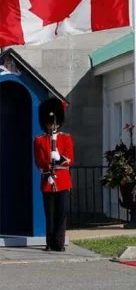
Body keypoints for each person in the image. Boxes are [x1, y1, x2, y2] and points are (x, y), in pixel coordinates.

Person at [33, 98, 74, 252]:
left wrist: (60, 158)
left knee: (61, 213)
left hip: (63, 181)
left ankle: (59, 242)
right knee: (49, 214)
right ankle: (50, 242)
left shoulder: (66, 138)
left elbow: (70, 159)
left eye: (55, 123)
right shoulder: (39, 140)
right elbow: (38, 161)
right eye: (50, 123)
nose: (53, 126)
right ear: (46, 123)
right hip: (47, 180)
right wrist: (48, 164)